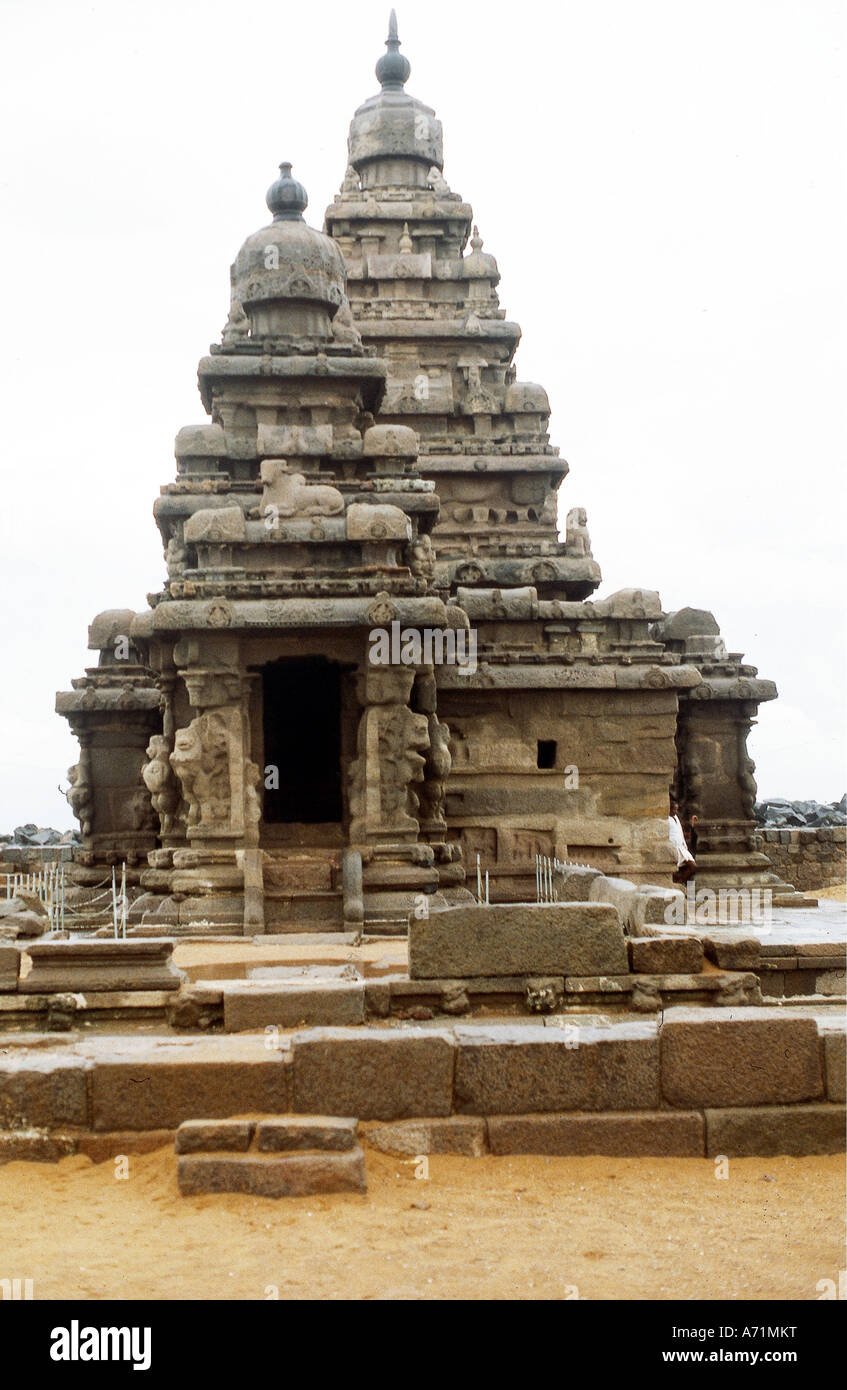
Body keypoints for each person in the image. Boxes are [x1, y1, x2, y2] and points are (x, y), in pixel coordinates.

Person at [669, 795, 697, 883]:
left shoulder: (675, 817)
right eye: (674, 809)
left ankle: (679, 881)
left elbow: (680, 831)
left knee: (693, 866)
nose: (675, 811)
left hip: (682, 847)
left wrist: (691, 825)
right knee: (678, 869)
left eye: (676, 809)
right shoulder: (666, 819)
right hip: (674, 847)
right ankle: (678, 882)